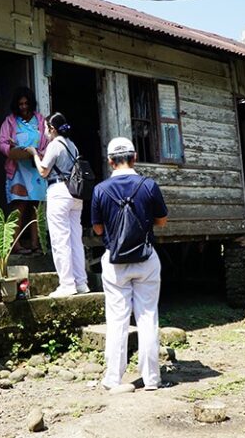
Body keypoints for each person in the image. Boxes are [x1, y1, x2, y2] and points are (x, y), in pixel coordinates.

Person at [91, 137, 168, 391]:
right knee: (147, 317)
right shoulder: (149, 185)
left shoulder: (100, 190)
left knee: (117, 320)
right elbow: (161, 221)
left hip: (115, 262)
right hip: (146, 259)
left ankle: (113, 378)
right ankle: (152, 379)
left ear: (110, 161)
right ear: (134, 158)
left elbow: (97, 228)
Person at [26, 113, 89, 298]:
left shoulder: (54, 144)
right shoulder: (72, 145)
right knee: (75, 240)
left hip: (59, 191)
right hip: (75, 194)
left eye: (46, 128)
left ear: (52, 129)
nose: (45, 132)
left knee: (60, 239)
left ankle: (67, 284)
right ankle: (81, 283)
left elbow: (43, 171)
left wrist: (34, 154)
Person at [0, 87, 48, 254]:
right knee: (19, 205)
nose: (24, 107)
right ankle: (15, 245)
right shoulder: (10, 121)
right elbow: (1, 142)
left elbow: (48, 142)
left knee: (36, 207)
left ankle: (36, 244)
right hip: (18, 169)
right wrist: (11, 149)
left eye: (26, 103)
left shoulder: (40, 120)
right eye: (20, 104)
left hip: (36, 169)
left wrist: (39, 154)